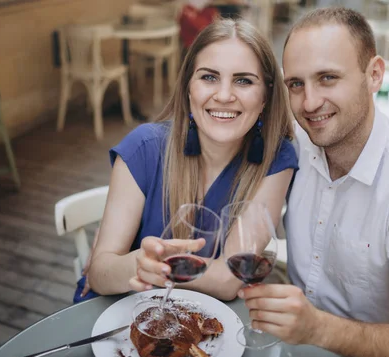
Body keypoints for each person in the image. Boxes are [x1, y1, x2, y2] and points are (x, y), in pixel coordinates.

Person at [239, 7, 389, 357]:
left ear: (374, 74)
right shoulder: (295, 144)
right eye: (296, 84)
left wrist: (319, 329)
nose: (309, 103)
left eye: (328, 78)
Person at [75, 18, 299, 303]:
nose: (224, 95)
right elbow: (100, 273)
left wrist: (167, 267)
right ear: (187, 88)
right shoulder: (144, 148)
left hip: (201, 324)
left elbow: (231, 280)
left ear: (266, 96)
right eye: (209, 77)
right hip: (118, 314)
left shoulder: (276, 159)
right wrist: (138, 265)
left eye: (243, 80)